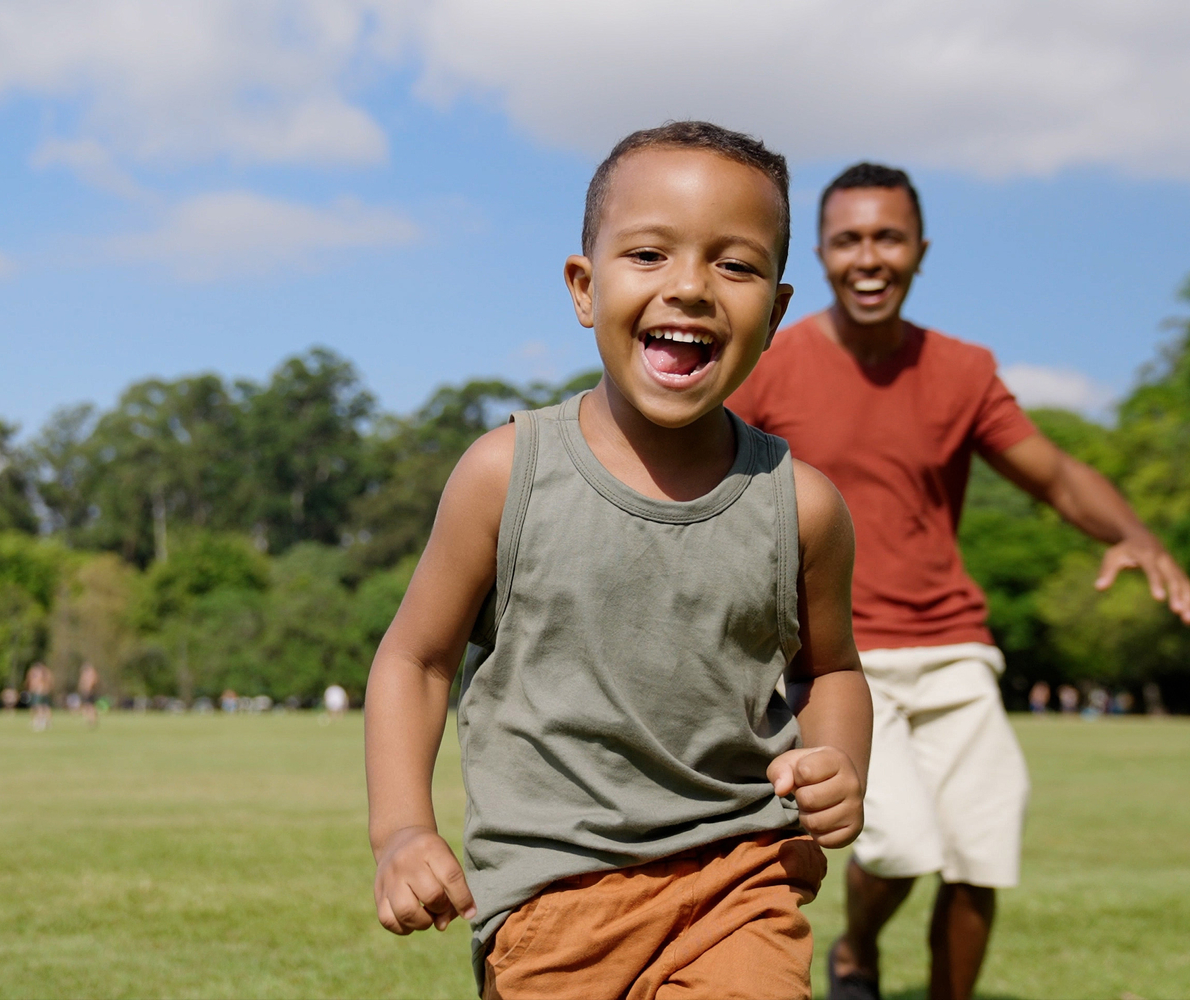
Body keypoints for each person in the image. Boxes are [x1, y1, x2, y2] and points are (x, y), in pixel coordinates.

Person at [365, 121, 872, 999]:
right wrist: (403, 831)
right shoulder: (505, 474)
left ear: (778, 311)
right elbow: (416, 659)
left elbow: (832, 670)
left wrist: (838, 763)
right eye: (648, 254)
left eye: (736, 265)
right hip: (550, 898)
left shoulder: (803, 507)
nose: (690, 287)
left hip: (738, 879)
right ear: (584, 287)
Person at [726, 162, 1190, 1000]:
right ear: (821, 255)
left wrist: (1134, 532)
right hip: (838, 659)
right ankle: (857, 951)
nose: (869, 257)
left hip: (953, 646)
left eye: (888, 238)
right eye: (848, 240)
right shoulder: (774, 364)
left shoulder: (962, 370)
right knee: (902, 844)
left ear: (920, 250)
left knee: (982, 852)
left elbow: (1053, 475)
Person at [25, 662, 53, 732]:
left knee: (40, 707)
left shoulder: (40, 673)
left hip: (39, 691)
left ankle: (41, 721)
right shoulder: (43, 673)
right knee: (40, 707)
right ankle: (41, 720)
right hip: (38, 691)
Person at [76, 662, 100, 729]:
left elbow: (91, 683)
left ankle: (92, 719)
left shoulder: (90, 674)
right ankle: (89, 719)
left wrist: (88, 689)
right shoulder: (89, 674)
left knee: (89, 706)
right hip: (87, 691)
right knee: (86, 706)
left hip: (88, 692)